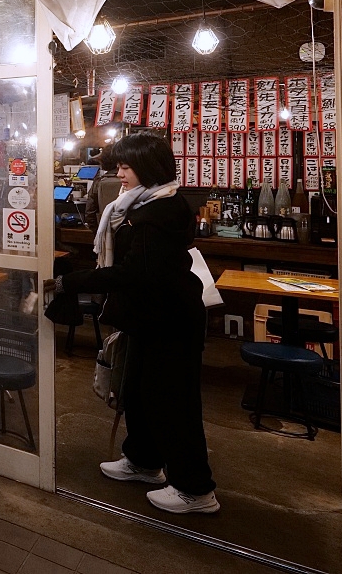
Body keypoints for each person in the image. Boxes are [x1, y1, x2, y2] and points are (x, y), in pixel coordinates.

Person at [48, 132, 218, 515]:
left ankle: (196, 489)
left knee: (174, 402)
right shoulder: (145, 205)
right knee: (140, 393)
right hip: (150, 317)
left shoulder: (158, 213)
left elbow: (133, 273)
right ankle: (143, 461)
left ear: (147, 167)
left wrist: (70, 282)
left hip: (170, 320)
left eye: (125, 167)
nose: (119, 174)